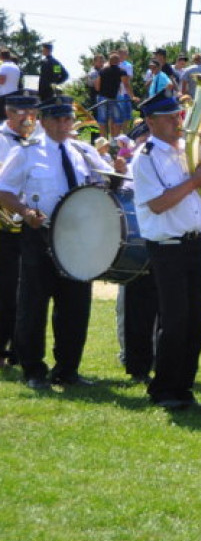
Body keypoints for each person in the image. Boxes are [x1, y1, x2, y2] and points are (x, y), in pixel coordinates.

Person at [130, 95, 201, 409]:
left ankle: (184, 387)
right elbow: (157, 204)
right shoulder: (145, 157)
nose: (177, 121)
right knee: (175, 319)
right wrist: (195, 180)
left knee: (197, 320)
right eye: (170, 117)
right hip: (168, 247)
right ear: (152, 122)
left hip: (197, 243)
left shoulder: (189, 151)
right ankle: (163, 389)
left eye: (178, 115)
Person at [0, 98, 102, 388]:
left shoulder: (79, 152)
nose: (63, 125)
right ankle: (33, 370)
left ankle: (68, 369)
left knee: (75, 305)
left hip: (76, 236)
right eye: (56, 120)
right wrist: (25, 212)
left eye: (67, 120)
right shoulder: (27, 152)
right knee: (33, 304)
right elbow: (3, 189)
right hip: (40, 234)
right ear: (43, 121)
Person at [0, 92, 38, 368]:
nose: (29, 119)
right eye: (23, 114)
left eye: (32, 114)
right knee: (4, 289)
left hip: (28, 224)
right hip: (3, 227)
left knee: (27, 292)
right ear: (9, 113)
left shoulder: (36, 143)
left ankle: (20, 349)